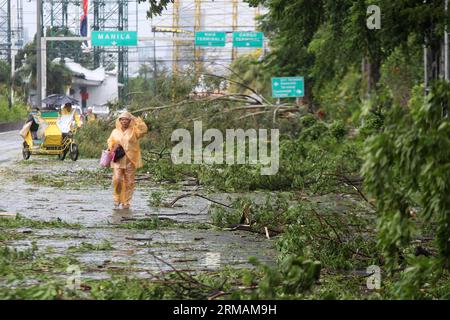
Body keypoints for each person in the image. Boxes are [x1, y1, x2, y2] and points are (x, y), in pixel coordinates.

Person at [107, 111, 148, 209]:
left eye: (127, 119)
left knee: (129, 181)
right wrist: (113, 146)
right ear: (119, 121)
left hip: (130, 159)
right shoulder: (115, 131)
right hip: (118, 159)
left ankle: (126, 202)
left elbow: (144, 129)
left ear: (129, 121)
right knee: (117, 179)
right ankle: (117, 199)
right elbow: (110, 141)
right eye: (122, 119)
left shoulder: (134, 131)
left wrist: (135, 119)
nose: (124, 121)